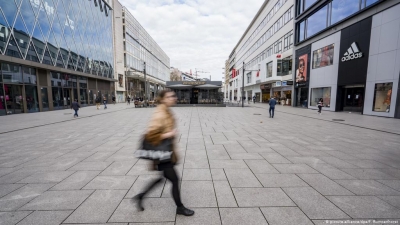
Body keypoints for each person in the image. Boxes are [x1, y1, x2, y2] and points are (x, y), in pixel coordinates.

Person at [133, 89, 194, 217]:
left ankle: (140, 196)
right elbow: (151, 134)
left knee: (162, 178)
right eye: (170, 96)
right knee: (175, 180)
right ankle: (180, 208)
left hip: (165, 152)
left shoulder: (165, 109)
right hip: (162, 155)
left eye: (174, 96)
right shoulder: (159, 112)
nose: (174, 98)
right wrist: (169, 134)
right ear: (163, 99)